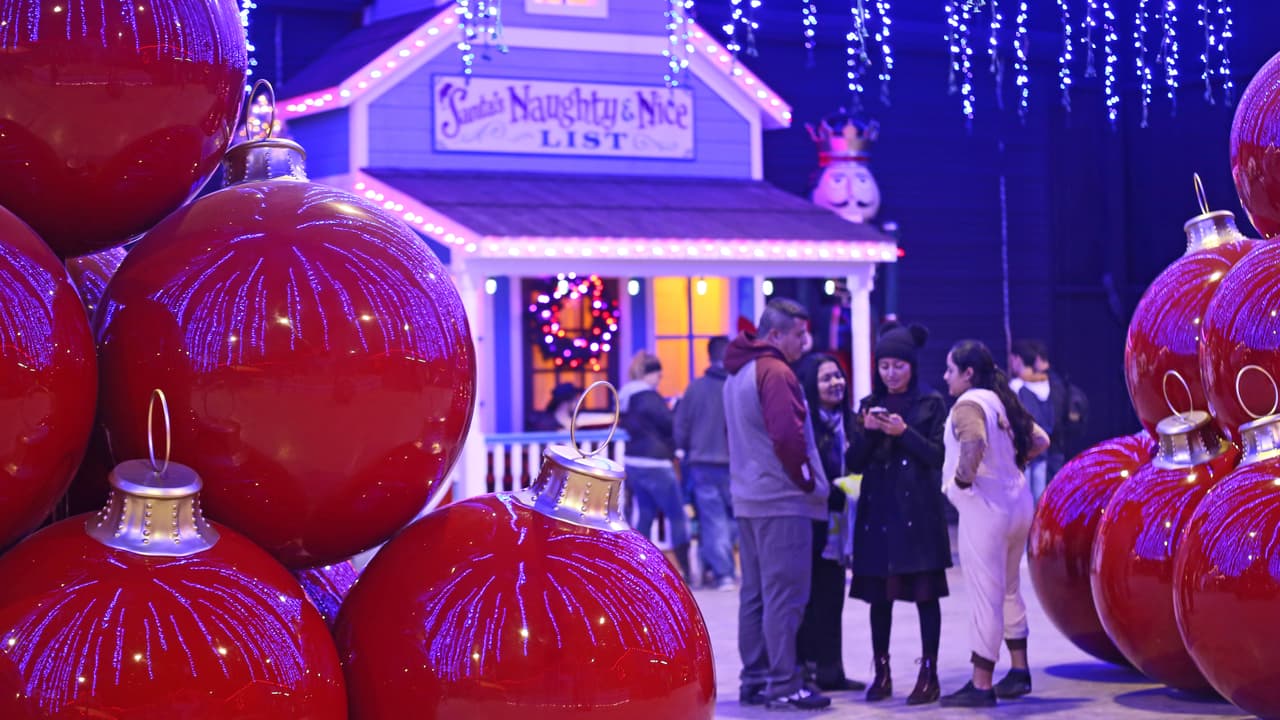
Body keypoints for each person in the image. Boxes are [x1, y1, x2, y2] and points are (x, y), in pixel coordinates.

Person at [723, 298, 832, 711]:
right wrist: (806, 481)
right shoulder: (776, 372)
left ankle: (756, 679)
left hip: (749, 498)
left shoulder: (738, 374)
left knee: (756, 595)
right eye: (798, 334)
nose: (805, 341)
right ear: (775, 335)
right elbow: (787, 436)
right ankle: (785, 683)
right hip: (782, 500)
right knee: (786, 597)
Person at [939, 340, 1050, 708]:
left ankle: (981, 683)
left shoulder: (969, 404)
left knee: (986, 596)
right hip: (1017, 504)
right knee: (1009, 589)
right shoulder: (1002, 400)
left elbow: (973, 442)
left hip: (985, 509)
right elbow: (1040, 440)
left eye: (950, 370)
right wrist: (1010, 468)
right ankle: (1019, 672)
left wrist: (962, 482)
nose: (945, 377)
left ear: (967, 373)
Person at [847, 323, 951, 705]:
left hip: (918, 512)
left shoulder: (931, 402)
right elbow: (853, 463)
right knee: (880, 598)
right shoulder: (868, 404)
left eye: (898, 366)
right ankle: (882, 670)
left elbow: (938, 457)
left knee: (926, 596)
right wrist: (870, 431)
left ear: (912, 366)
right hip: (879, 512)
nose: (890, 374)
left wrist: (904, 432)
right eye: (884, 366)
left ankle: (929, 673)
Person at [793, 352, 866, 693]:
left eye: (838, 376)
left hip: (842, 521)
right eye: (826, 378)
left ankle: (831, 670)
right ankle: (804, 668)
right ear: (811, 385)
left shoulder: (852, 422)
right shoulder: (804, 423)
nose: (836, 383)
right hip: (812, 520)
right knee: (810, 598)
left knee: (834, 595)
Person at [619, 351, 692, 584]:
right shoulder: (648, 398)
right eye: (658, 377)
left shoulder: (626, 397)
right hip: (656, 462)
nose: (659, 381)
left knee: (646, 514)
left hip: (634, 461)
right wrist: (677, 408)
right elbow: (669, 424)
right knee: (677, 515)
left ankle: (637, 566)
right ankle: (686, 570)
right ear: (650, 374)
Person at [673, 335, 737, 590]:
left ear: (709, 356)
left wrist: (686, 449)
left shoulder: (695, 388)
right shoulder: (735, 387)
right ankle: (720, 568)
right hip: (733, 463)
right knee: (734, 519)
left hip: (701, 462)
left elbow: (681, 426)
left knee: (712, 519)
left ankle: (720, 570)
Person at [1008, 339, 1066, 501]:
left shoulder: (1016, 386)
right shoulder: (1046, 383)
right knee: (1040, 498)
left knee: (1023, 498)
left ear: (1018, 359)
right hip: (1044, 447)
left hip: (1023, 449)